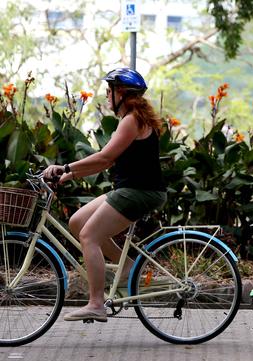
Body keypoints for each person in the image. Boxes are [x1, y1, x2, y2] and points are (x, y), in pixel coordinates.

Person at [43, 68, 167, 322]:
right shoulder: (130, 120)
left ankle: (96, 303)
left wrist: (65, 167)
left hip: (139, 192)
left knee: (89, 236)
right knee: (77, 222)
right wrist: (71, 175)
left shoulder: (132, 120)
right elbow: (106, 162)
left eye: (108, 92)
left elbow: (105, 157)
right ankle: (131, 269)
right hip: (130, 189)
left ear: (120, 92)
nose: (106, 97)